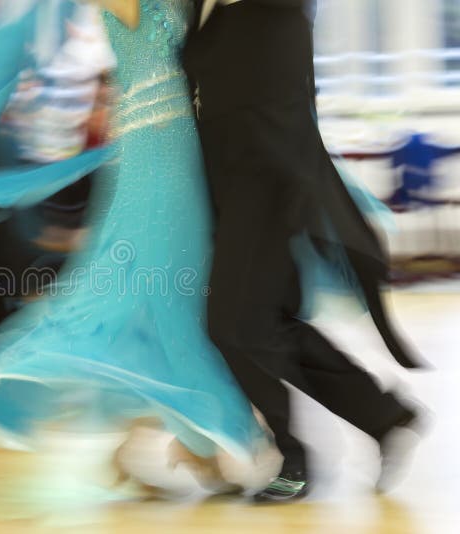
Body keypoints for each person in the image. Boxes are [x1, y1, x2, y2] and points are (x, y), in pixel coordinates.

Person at [0, 0, 277, 492]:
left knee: (166, 292)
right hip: (157, 154)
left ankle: (181, 439)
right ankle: (190, 439)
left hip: (175, 147)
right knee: (156, 292)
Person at [182, 0, 426, 502]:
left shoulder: (278, 8)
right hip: (227, 187)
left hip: (269, 181)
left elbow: (283, 105)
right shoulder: (198, 9)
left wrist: (282, 195)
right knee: (264, 322)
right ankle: (381, 418)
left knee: (231, 324)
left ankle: (296, 455)